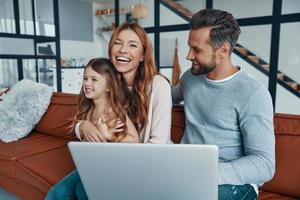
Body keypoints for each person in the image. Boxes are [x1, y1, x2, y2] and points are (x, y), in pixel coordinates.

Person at [47, 22, 172, 200]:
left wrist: (111, 140)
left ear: (143, 55)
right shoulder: (106, 80)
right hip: (108, 157)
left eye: (132, 45)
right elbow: (85, 109)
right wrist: (82, 126)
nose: (122, 49)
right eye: (118, 43)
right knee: (57, 193)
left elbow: (158, 146)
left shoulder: (159, 85)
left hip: (142, 163)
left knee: (84, 192)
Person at [172, 9, 275, 200]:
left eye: (197, 50)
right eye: (189, 47)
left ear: (223, 50)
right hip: (186, 172)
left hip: (234, 184)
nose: (188, 56)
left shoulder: (253, 93)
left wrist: (205, 173)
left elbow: (264, 163)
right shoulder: (190, 78)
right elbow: (165, 97)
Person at [46, 58, 140, 200]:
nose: (87, 83)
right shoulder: (88, 108)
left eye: (94, 79)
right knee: (57, 192)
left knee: (81, 192)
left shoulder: (112, 110)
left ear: (109, 86)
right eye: (85, 78)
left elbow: (135, 141)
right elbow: (84, 139)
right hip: (90, 164)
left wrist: (109, 136)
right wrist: (84, 126)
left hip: (109, 168)